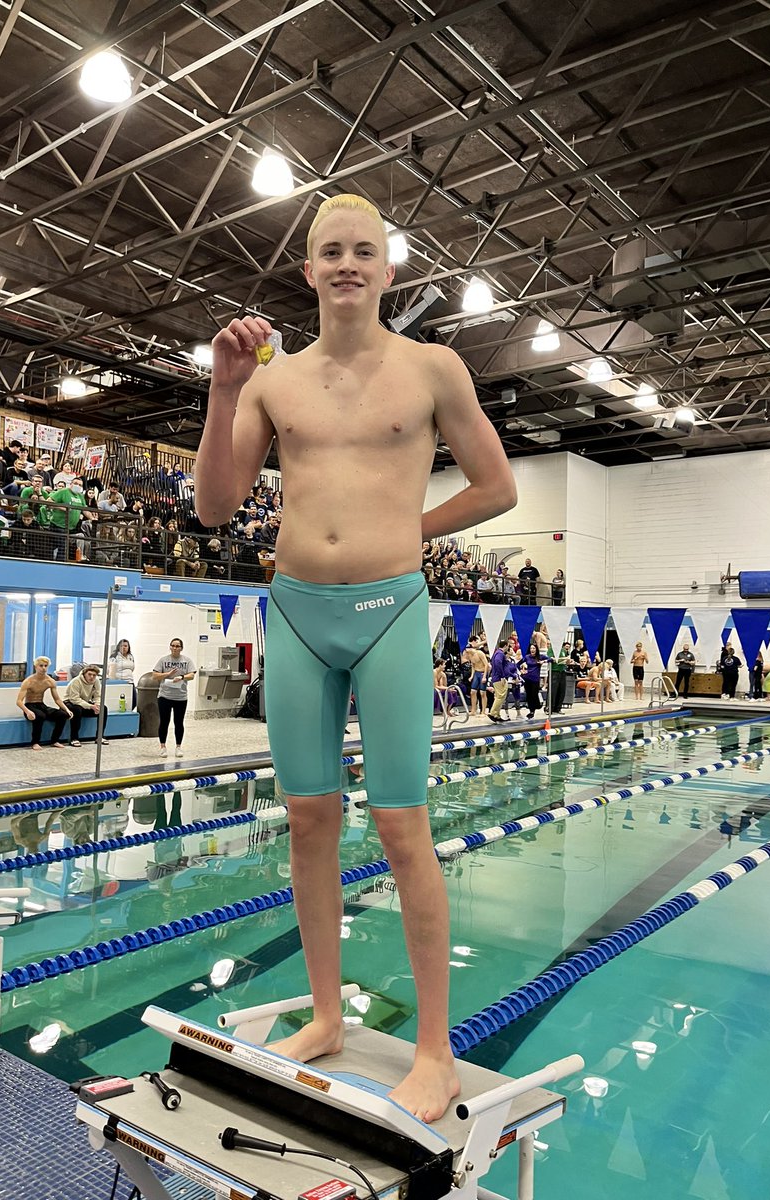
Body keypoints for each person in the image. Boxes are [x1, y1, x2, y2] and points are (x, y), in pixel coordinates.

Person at [193, 193, 516, 1122]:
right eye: (329, 252)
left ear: (388, 268)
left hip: (386, 611)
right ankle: (327, 1015)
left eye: (362, 252)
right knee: (306, 821)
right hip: (295, 611)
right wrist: (220, 389)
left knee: (404, 825)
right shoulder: (270, 381)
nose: (346, 265)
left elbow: (496, 486)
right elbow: (216, 507)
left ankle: (435, 1052)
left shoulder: (431, 367)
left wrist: (407, 529)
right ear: (308, 271)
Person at [152, 638, 195, 759]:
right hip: (165, 696)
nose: (175, 648)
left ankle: (178, 746)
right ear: (170, 647)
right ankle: (163, 747)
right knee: (164, 722)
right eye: (173, 646)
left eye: (178, 646)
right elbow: (154, 675)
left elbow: (191, 675)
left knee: (179, 722)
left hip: (180, 697)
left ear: (181, 648)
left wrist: (181, 677)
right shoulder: (163, 660)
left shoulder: (187, 661)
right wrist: (167, 674)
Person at [15, 656, 71, 750]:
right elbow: (19, 701)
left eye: (45, 666)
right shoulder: (28, 681)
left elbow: (57, 699)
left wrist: (67, 709)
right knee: (40, 716)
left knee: (62, 715)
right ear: (36, 667)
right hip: (29, 706)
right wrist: (28, 712)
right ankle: (35, 742)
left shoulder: (50, 681)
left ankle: (55, 740)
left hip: (41, 705)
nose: (43, 668)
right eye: (41, 666)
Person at [64, 665, 109, 746]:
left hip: (84, 703)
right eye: (89, 674)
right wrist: (91, 706)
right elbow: (74, 699)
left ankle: (99, 737)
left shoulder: (96, 681)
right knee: (77, 710)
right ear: (84, 674)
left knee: (103, 709)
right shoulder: (76, 681)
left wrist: (97, 705)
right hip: (69, 703)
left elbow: (98, 695)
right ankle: (74, 738)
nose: (92, 677)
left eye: (94, 675)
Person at [518, 642, 550, 718]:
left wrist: (544, 661)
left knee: (534, 694)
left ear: (536, 649)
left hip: (535, 679)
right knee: (529, 696)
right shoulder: (527, 657)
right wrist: (521, 671)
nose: (532, 650)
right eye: (531, 648)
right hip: (527, 678)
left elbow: (550, 659)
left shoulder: (540, 657)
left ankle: (538, 705)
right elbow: (518, 664)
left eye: (534, 648)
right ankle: (531, 711)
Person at [461, 636, 489, 718]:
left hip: (483, 672)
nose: (466, 653)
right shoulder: (469, 656)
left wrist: (484, 677)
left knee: (482, 693)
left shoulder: (479, 653)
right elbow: (473, 665)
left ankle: (483, 711)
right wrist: (472, 676)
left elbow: (486, 664)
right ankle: (473, 710)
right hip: (476, 673)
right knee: (472, 692)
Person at [109, 638, 136, 709]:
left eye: (125, 646)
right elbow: (111, 671)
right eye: (121, 646)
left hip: (130, 681)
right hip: (120, 682)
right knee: (122, 701)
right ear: (118, 647)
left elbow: (132, 668)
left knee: (134, 701)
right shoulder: (115, 657)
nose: (123, 648)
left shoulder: (130, 656)